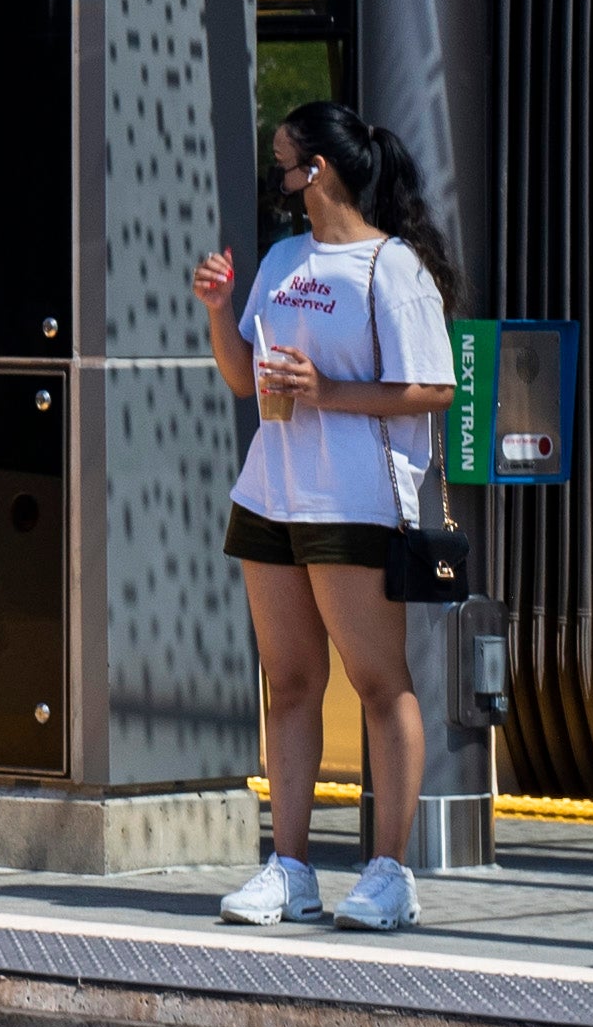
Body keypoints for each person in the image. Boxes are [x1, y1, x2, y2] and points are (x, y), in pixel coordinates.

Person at [193, 100, 462, 935]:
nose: (277, 176)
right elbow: (244, 378)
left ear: (319, 171)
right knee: (292, 686)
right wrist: (216, 307)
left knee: (379, 683)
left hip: (356, 499)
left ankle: (390, 872)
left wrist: (328, 393)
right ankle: (292, 868)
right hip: (271, 490)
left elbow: (435, 387)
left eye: (283, 161)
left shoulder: (394, 269)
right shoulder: (280, 259)